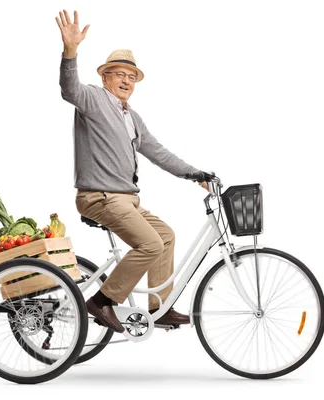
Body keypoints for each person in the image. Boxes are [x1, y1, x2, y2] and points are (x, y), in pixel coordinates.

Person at [56, 10, 214, 333]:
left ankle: (159, 306)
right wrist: (70, 51)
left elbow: (159, 153)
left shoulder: (132, 118)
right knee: (150, 245)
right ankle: (101, 301)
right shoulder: (92, 99)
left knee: (166, 236)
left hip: (127, 200)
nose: (126, 81)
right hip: (99, 197)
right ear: (105, 78)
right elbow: (69, 89)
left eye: (131, 76)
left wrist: (195, 173)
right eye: (119, 74)